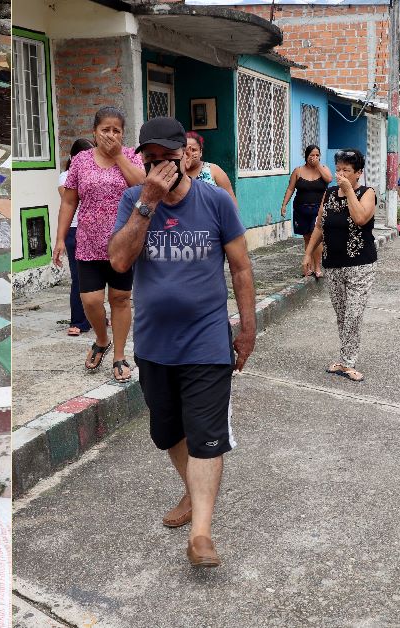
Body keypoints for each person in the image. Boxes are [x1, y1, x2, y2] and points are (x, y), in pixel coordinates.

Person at [108, 117, 256, 568]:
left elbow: (242, 268)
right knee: (168, 431)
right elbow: (118, 259)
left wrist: (247, 328)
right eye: (149, 162)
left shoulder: (215, 201)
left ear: (185, 158)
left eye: (167, 160)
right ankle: (193, 493)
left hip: (207, 339)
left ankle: (202, 533)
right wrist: (148, 202)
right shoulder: (134, 200)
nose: (159, 170)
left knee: (207, 437)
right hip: (154, 343)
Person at [52, 107, 145, 382]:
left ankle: (119, 355)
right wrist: (59, 238)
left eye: (116, 130)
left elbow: (143, 187)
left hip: (122, 244)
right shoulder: (81, 161)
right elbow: (69, 201)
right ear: (94, 132)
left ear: (123, 134)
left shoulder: (130, 156)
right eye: (105, 129)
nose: (111, 135)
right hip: (88, 243)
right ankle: (101, 340)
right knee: (90, 300)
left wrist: (117, 156)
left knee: (120, 299)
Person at [300, 148, 377, 382]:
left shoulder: (367, 193)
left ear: (359, 173)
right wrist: (308, 254)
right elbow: (319, 226)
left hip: (360, 265)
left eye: (347, 170)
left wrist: (348, 192)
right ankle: (344, 360)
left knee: (353, 314)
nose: (341, 174)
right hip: (333, 264)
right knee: (342, 315)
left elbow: (361, 218)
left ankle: (349, 362)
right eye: (339, 169)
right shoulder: (330, 193)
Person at [57, 138, 95, 336]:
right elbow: (70, 201)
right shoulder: (65, 177)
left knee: (96, 277)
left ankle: (95, 316)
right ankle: (78, 321)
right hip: (74, 230)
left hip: (94, 231)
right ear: (72, 157)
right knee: (78, 278)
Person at [279, 145, 333, 278]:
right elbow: (291, 189)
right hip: (301, 210)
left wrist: (318, 165)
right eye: (311, 156)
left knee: (317, 239)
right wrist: (284, 205)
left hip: (318, 210)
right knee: (307, 238)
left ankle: (317, 267)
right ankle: (308, 266)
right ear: (306, 156)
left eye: (317, 155)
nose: (314, 158)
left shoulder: (324, 169)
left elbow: (329, 180)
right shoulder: (298, 171)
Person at [181, 132, 237, 205]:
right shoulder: (176, 172)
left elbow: (231, 201)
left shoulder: (214, 171)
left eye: (194, 150)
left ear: (201, 152)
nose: (189, 154)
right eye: (185, 151)